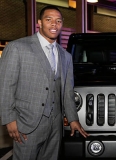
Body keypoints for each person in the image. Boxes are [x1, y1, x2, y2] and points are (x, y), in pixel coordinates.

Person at [0, 5, 89, 160]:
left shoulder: (66, 56)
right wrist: (9, 119)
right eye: (49, 20)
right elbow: (5, 86)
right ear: (40, 22)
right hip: (27, 123)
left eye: (58, 21)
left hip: (55, 125)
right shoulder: (17, 47)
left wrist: (73, 118)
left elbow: (67, 90)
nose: (54, 24)